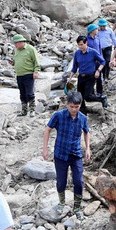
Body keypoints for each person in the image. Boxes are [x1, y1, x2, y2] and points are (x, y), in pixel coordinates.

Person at [43, 91, 91, 219]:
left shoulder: (82, 118)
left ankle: (77, 207)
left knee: (79, 181)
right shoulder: (58, 116)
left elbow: (86, 132)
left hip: (75, 154)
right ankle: (62, 202)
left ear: (80, 105)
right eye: (71, 106)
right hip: (60, 154)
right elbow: (47, 129)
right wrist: (45, 149)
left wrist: (87, 149)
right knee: (61, 181)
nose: (74, 109)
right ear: (66, 104)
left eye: (77, 106)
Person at [68, 35, 108, 113]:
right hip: (81, 77)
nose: (80, 47)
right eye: (79, 45)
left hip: (90, 76)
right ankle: (83, 111)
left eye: (82, 44)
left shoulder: (93, 52)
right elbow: (74, 67)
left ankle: (102, 97)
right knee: (80, 97)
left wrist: (98, 71)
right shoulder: (77, 53)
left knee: (87, 96)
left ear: (86, 43)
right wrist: (70, 78)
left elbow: (103, 61)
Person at [11, 34, 40, 117]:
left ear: (21, 42)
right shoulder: (16, 50)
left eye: (16, 43)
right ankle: (24, 110)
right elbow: (16, 61)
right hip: (19, 75)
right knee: (22, 93)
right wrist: (12, 62)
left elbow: (36, 61)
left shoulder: (30, 49)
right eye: (15, 43)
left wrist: (36, 71)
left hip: (28, 74)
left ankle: (32, 110)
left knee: (29, 93)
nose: (15, 45)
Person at [97, 19, 116, 84]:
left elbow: (113, 38)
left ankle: (106, 77)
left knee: (108, 61)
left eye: (104, 26)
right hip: (100, 48)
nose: (102, 27)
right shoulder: (97, 31)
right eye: (101, 26)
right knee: (102, 61)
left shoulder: (109, 30)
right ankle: (103, 75)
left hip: (108, 47)